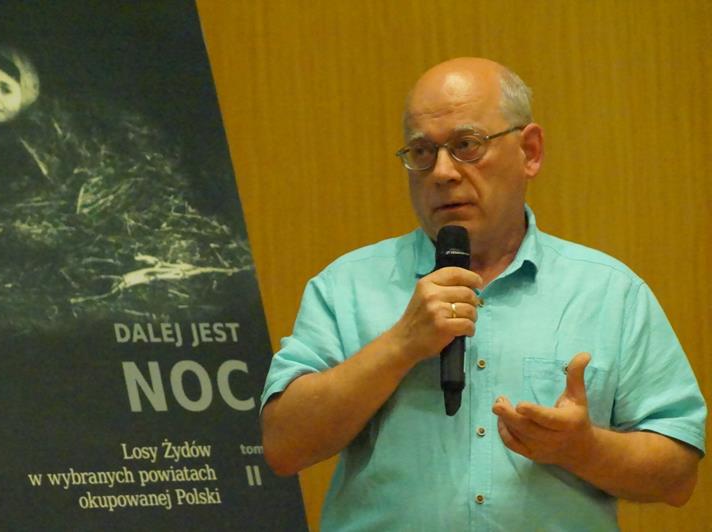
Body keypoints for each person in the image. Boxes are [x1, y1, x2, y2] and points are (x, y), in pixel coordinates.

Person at [259, 57, 706, 531]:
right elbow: (284, 446)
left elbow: (678, 477)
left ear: (530, 151)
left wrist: (584, 450)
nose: (442, 172)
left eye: (466, 145)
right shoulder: (346, 286)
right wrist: (400, 344)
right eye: (422, 151)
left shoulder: (610, 292)